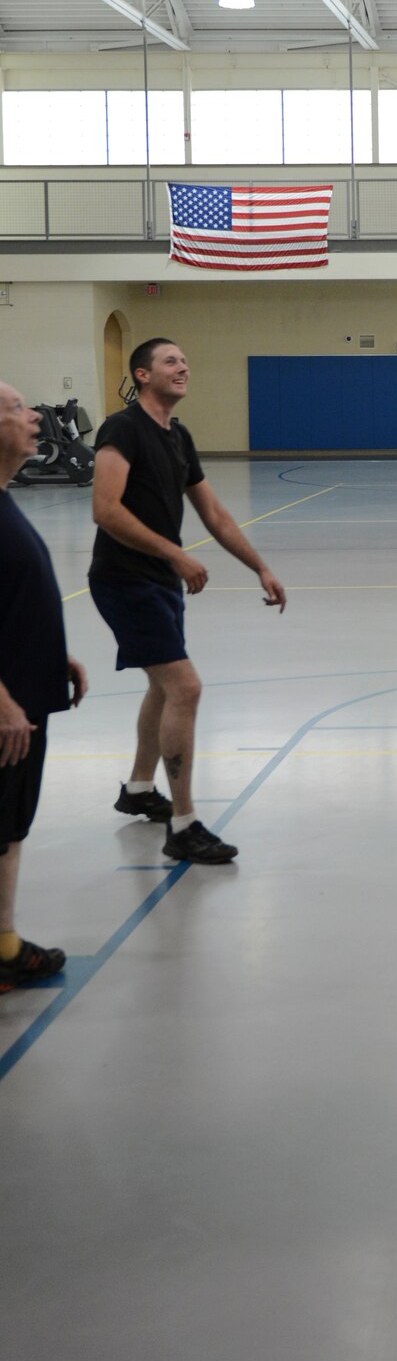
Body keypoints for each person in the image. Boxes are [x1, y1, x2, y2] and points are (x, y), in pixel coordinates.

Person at [89, 338, 287, 867]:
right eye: (170, 361)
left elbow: (215, 514)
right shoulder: (122, 428)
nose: (183, 367)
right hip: (125, 579)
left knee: (162, 685)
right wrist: (176, 554)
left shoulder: (178, 436)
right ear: (143, 374)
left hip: (160, 582)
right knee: (185, 686)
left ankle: (137, 789)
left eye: (184, 361)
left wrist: (260, 567)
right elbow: (105, 510)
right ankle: (183, 824)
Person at [0, 383, 88, 994]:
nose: (33, 415)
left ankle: (3, 945)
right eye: (14, 408)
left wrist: (55, 653)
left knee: (8, 828)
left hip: (27, 694)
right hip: (7, 709)